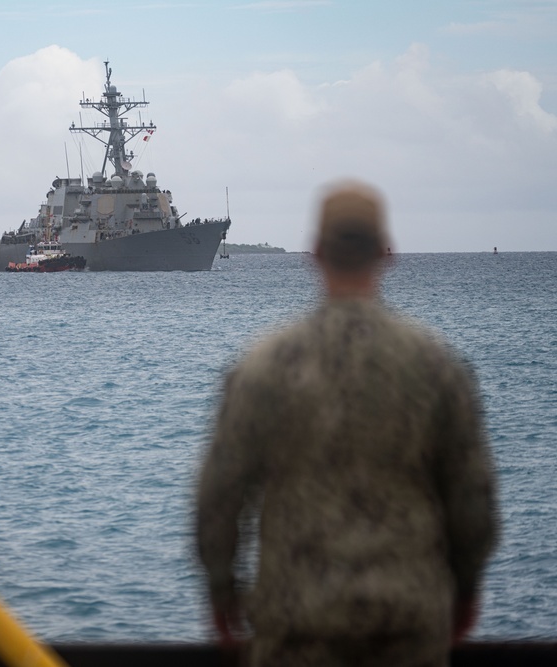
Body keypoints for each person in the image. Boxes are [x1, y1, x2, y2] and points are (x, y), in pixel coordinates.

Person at [196, 180, 499, 667]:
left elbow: (218, 496)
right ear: (387, 253)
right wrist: (463, 593)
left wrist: (221, 593)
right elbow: (472, 499)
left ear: (314, 253)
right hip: (408, 625)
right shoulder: (437, 367)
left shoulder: (263, 367)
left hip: (297, 628)